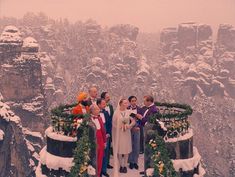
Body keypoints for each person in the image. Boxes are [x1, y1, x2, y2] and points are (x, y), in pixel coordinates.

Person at [136, 95, 159, 176]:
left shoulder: (154, 110)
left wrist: (141, 118)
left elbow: (151, 122)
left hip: (150, 132)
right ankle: (146, 169)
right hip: (145, 130)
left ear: (149, 101)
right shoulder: (147, 108)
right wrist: (140, 118)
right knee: (146, 150)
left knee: (149, 151)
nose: (143, 102)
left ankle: (149, 170)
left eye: (145, 101)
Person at [112, 98, 136, 176]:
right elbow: (114, 124)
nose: (127, 104)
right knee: (119, 149)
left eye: (127, 103)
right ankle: (120, 165)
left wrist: (129, 126)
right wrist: (119, 127)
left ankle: (125, 165)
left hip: (126, 133)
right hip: (119, 133)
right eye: (125, 103)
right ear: (121, 104)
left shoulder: (129, 112)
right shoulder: (116, 113)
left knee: (126, 149)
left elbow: (133, 121)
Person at [90, 104, 106, 177]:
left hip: (101, 141)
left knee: (100, 158)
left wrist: (104, 141)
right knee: (93, 158)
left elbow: (103, 131)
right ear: (92, 110)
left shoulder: (99, 118)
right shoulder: (89, 119)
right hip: (93, 141)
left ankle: (98, 174)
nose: (99, 110)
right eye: (97, 109)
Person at [127, 96, 142, 170]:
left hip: (137, 129)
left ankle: (135, 162)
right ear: (129, 101)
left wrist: (138, 126)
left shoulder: (139, 109)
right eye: (132, 101)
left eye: (135, 100)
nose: (134, 102)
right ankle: (130, 162)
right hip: (129, 129)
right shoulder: (126, 109)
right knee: (130, 145)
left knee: (136, 145)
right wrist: (130, 127)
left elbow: (142, 119)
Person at [97, 98, 111, 177]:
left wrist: (108, 132)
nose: (105, 105)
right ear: (98, 104)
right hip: (99, 136)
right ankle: (98, 171)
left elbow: (109, 123)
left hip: (106, 134)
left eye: (105, 104)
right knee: (99, 153)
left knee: (106, 152)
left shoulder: (105, 112)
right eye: (103, 104)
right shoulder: (94, 113)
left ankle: (104, 170)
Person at [101, 91, 114, 169]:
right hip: (102, 130)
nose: (109, 98)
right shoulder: (99, 109)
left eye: (109, 97)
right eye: (107, 97)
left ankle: (107, 163)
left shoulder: (111, 106)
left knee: (108, 147)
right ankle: (102, 165)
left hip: (109, 128)